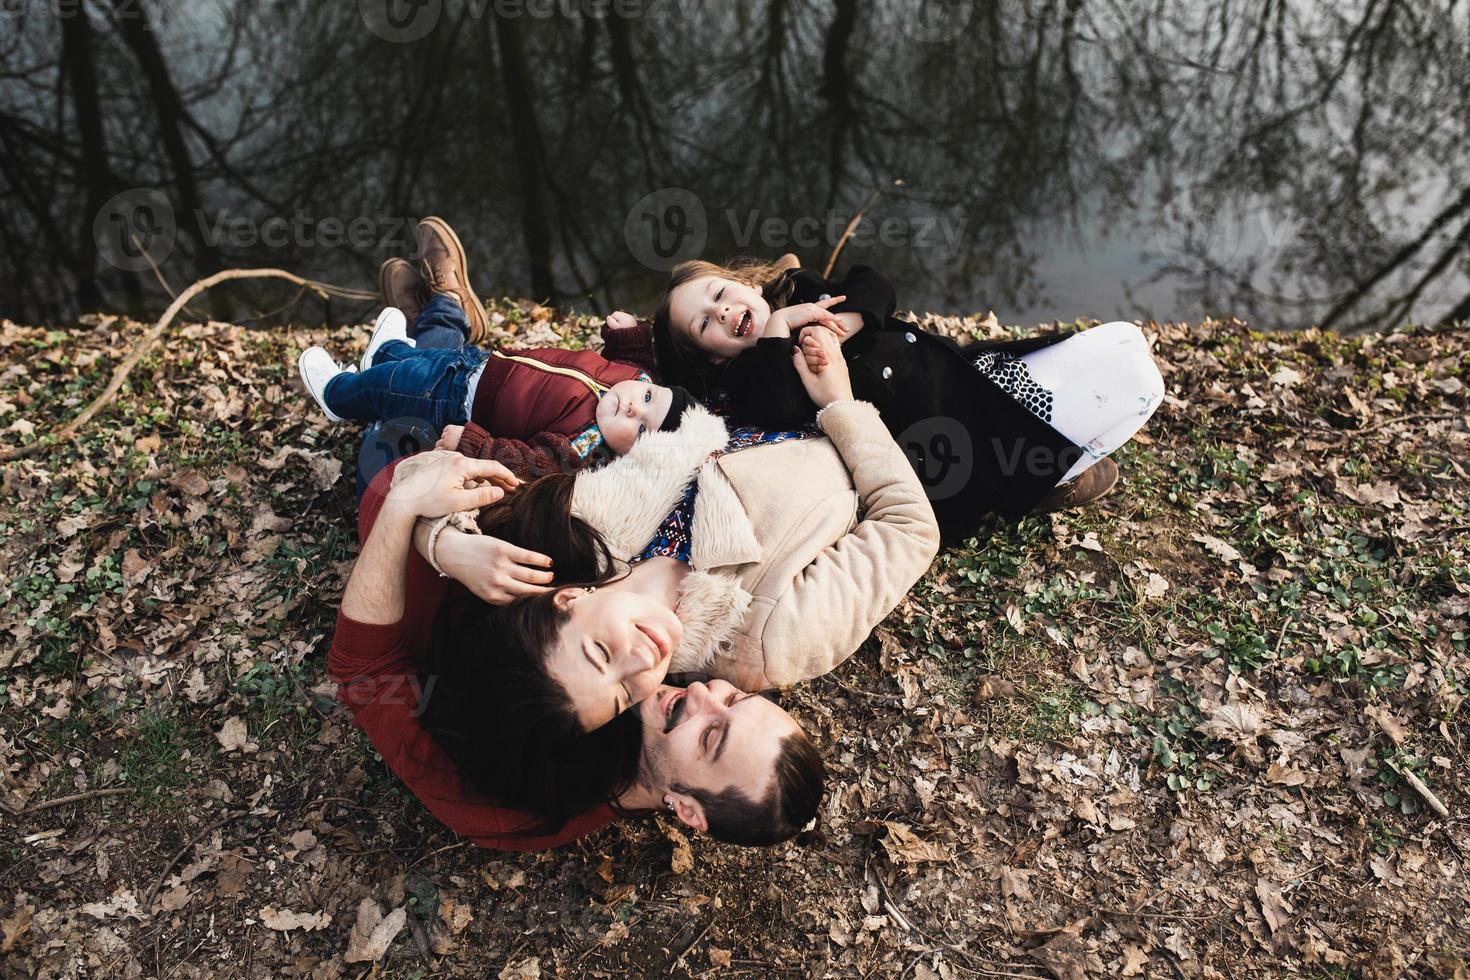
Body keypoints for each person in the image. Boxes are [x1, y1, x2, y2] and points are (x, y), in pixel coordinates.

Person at [410, 326, 940, 773]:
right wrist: (842, 403)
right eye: (623, 696)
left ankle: (438, 319)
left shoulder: (569, 534)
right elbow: (910, 528)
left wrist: (446, 543)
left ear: (566, 601)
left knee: (406, 428)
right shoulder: (769, 637)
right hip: (881, 414)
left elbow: (411, 479)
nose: (642, 662)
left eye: (600, 653)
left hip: (737, 375)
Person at [329, 448, 825, 848]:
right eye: (735, 699)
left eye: (711, 738)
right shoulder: (552, 548)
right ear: (568, 596)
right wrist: (442, 541)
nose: (700, 694)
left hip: (388, 506)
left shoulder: (503, 807)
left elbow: (361, 669)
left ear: (687, 811)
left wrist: (404, 515)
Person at [635, 259, 1165, 540]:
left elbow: (874, 280)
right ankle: (1048, 478)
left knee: (1124, 338)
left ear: (742, 284)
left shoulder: (801, 292)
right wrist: (777, 326)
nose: (723, 312)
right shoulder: (754, 375)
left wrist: (847, 319)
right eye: (704, 322)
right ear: (709, 355)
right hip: (968, 445)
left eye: (721, 294)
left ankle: (1058, 455)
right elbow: (773, 404)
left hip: (976, 373)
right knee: (1141, 383)